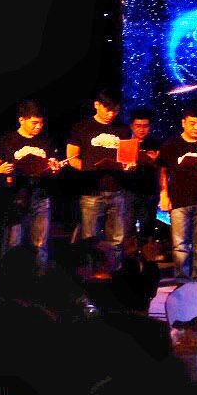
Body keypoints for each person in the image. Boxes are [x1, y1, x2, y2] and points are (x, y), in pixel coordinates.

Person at [0, 100, 62, 265]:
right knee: (13, 241)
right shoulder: (7, 141)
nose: (38, 127)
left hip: (40, 197)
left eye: (41, 123)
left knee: (40, 243)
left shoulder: (45, 141)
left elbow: (52, 166)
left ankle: (39, 273)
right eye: (34, 123)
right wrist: (1, 169)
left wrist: (55, 168)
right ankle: (10, 273)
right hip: (16, 198)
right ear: (22, 120)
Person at [65, 89, 129, 273]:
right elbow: (71, 158)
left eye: (115, 110)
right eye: (107, 109)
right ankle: (89, 276)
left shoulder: (122, 129)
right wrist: (89, 168)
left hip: (117, 191)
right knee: (90, 239)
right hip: (91, 191)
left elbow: (127, 158)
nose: (111, 114)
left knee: (116, 240)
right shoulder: (82, 127)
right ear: (97, 105)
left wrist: (128, 166)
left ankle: (115, 275)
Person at [155, 109, 197, 283]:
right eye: (192, 123)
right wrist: (163, 195)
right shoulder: (171, 145)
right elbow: (162, 171)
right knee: (180, 245)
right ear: (183, 123)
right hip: (179, 199)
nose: (196, 128)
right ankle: (182, 280)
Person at [121, 107, 163, 252]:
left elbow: (162, 168)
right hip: (128, 191)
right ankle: (128, 260)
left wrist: (154, 161)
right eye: (138, 126)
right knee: (127, 229)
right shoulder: (125, 143)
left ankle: (146, 259)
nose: (141, 129)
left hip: (150, 192)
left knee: (147, 228)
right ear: (131, 126)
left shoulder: (156, 144)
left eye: (145, 126)